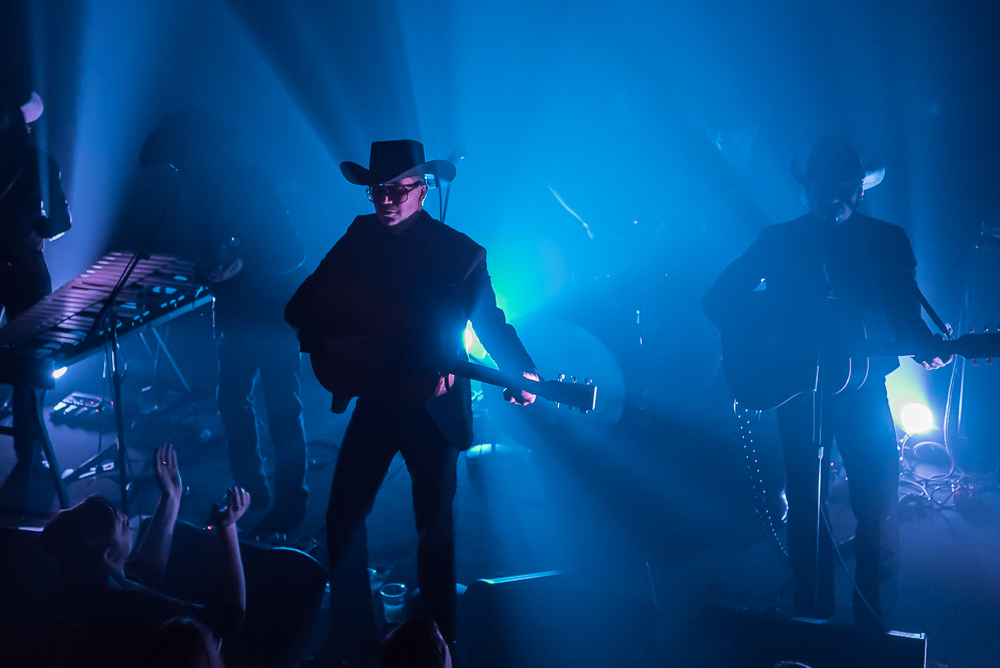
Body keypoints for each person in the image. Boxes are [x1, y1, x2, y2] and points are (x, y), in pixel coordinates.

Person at [285, 139, 539, 662]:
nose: (387, 199)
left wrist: (521, 368)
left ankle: (438, 645)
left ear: (424, 189)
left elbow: (489, 321)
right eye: (378, 189)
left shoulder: (461, 254)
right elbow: (300, 307)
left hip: (432, 409)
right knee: (341, 519)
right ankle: (352, 633)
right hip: (377, 401)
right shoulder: (360, 237)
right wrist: (337, 343)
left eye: (399, 189)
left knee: (435, 533)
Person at [702, 136, 951, 627]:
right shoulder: (778, 239)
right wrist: (768, 342)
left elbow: (903, 311)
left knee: (877, 505)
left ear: (859, 189)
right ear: (808, 187)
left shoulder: (884, 239)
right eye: (822, 187)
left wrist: (926, 344)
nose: (831, 197)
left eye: (842, 187)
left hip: (862, 392)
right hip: (797, 393)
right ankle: (810, 619)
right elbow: (717, 299)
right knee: (806, 504)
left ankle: (872, 627)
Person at [140, 110, 310, 535]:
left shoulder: (250, 182)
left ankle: (292, 501)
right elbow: (207, 255)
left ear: (202, 154)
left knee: (283, 409)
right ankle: (251, 490)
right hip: (235, 317)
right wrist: (206, 272)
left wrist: (241, 266)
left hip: (272, 316)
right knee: (232, 402)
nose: (179, 170)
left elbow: (292, 252)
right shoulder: (200, 193)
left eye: (182, 161)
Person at [41, 444, 248, 667]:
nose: (124, 517)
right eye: (119, 524)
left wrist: (171, 496)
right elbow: (228, 618)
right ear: (108, 556)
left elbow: (144, 573)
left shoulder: (81, 577)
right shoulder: (126, 607)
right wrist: (228, 527)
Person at [0, 86, 71, 478]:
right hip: (26, 270)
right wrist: (37, 227)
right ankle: (28, 454)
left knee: (27, 360)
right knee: (29, 364)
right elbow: (61, 222)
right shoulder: (40, 162)